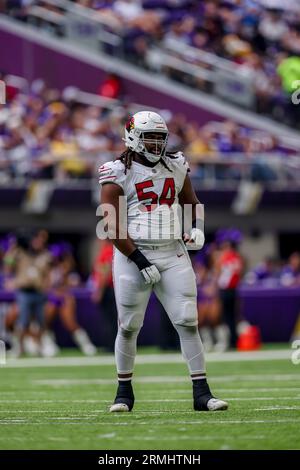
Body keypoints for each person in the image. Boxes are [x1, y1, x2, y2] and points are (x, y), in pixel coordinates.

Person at [99, 110, 228, 412]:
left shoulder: (176, 165)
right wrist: (140, 260)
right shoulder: (116, 171)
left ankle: (202, 393)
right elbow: (111, 226)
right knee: (129, 326)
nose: (156, 144)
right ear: (133, 137)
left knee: (187, 321)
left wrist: (195, 227)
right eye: (150, 137)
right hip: (132, 255)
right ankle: (123, 393)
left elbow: (191, 203)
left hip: (172, 252)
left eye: (160, 137)